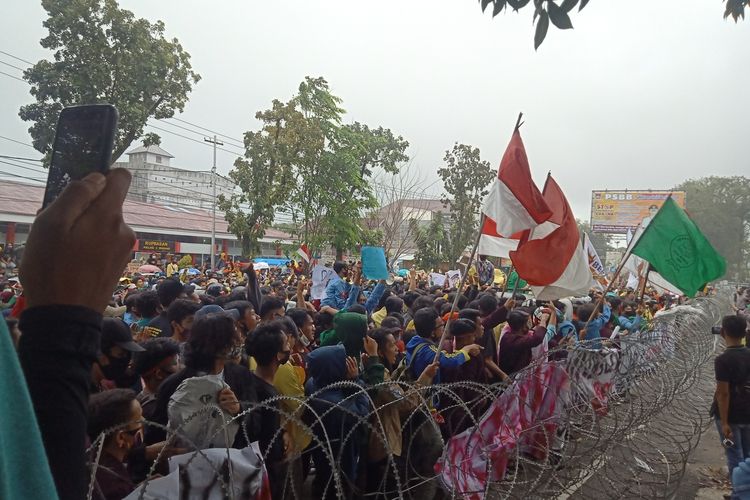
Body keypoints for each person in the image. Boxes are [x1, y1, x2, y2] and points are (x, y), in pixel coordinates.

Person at [247, 321, 291, 498]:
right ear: (279, 355)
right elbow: (269, 446)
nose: (290, 346)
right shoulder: (267, 396)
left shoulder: (251, 381)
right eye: (286, 344)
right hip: (267, 473)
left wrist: (283, 432)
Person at [712, 315, 750, 489]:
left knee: (735, 456)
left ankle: (739, 492)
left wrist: (725, 422)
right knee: (748, 456)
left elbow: (723, 393)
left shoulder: (723, 360)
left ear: (723, 332)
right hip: (747, 413)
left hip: (730, 415)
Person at [87, 389, 143, 500]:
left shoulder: (90, 462)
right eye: (139, 420)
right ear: (121, 438)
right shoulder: (117, 489)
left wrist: (137, 488)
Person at [405, 307, 482, 384]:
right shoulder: (428, 351)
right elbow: (451, 361)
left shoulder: (416, 339)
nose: (444, 328)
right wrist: (466, 349)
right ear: (432, 333)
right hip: (426, 392)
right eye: (441, 325)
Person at [132, 338, 180, 421]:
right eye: (175, 364)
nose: (181, 369)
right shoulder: (156, 410)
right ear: (159, 374)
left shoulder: (140, 402)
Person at [92, 318, 145, 392]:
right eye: (121, 354)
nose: (126, 360)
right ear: (100, 354)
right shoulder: (79, 391)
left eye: (128, 354)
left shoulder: (96, 384)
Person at [496, 309, 551, 376]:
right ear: (523, 326)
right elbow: (537, 339)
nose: (530, 325)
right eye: (527, 322)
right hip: (512, 378)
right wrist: (543, 320)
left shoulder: (509, 335)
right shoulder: (512, 340)